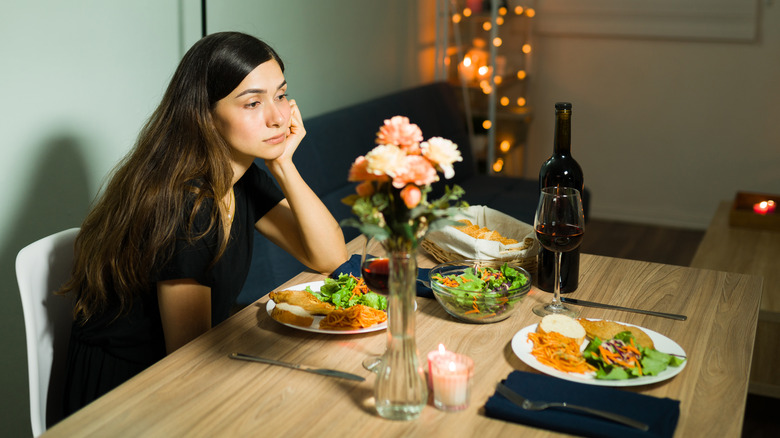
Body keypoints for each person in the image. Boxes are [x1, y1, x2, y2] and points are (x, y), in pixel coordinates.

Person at [58, 32, 348, 415]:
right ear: (204, 115)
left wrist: (283, 164)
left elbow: (330, 256)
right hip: (125, 395)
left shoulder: (240, 176)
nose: (278, 117)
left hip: (192, 369)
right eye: (252, 103)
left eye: (280, 95)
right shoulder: (186, 205)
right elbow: (190, 357)